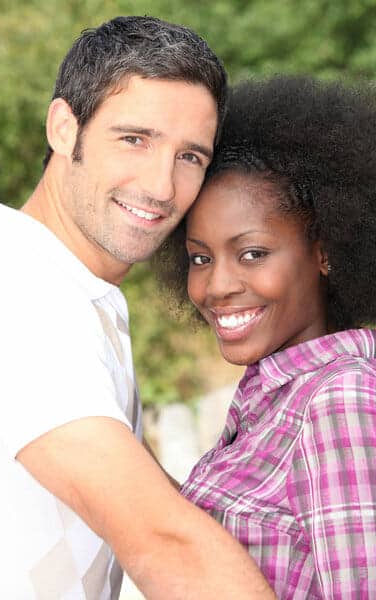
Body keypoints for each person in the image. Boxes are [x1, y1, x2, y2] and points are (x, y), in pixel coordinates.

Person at [0, 16, 274, 600]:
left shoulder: (75, 291)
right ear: (65, 128)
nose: (162, 186)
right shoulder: (16, 296)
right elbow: (165, 541)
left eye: (190, 156)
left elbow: (151, 500)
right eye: (134, 139)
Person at [153, 75, 376, 598]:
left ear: (326, 252)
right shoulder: (274, 397)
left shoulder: (337, 401)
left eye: (252, 253)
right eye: (200, 258)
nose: (217, 286)